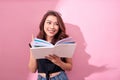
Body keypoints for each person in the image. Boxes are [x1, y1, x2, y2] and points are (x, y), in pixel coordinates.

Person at [28, 10, 72, 80]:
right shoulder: (36, 42)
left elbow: (69, 67)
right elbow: (32, 70)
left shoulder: (63, 42)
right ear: (43, 24)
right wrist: (33, 48)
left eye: (56, 24)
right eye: (49, 23)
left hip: (60, 78)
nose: (52, 27)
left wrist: (59, 62)